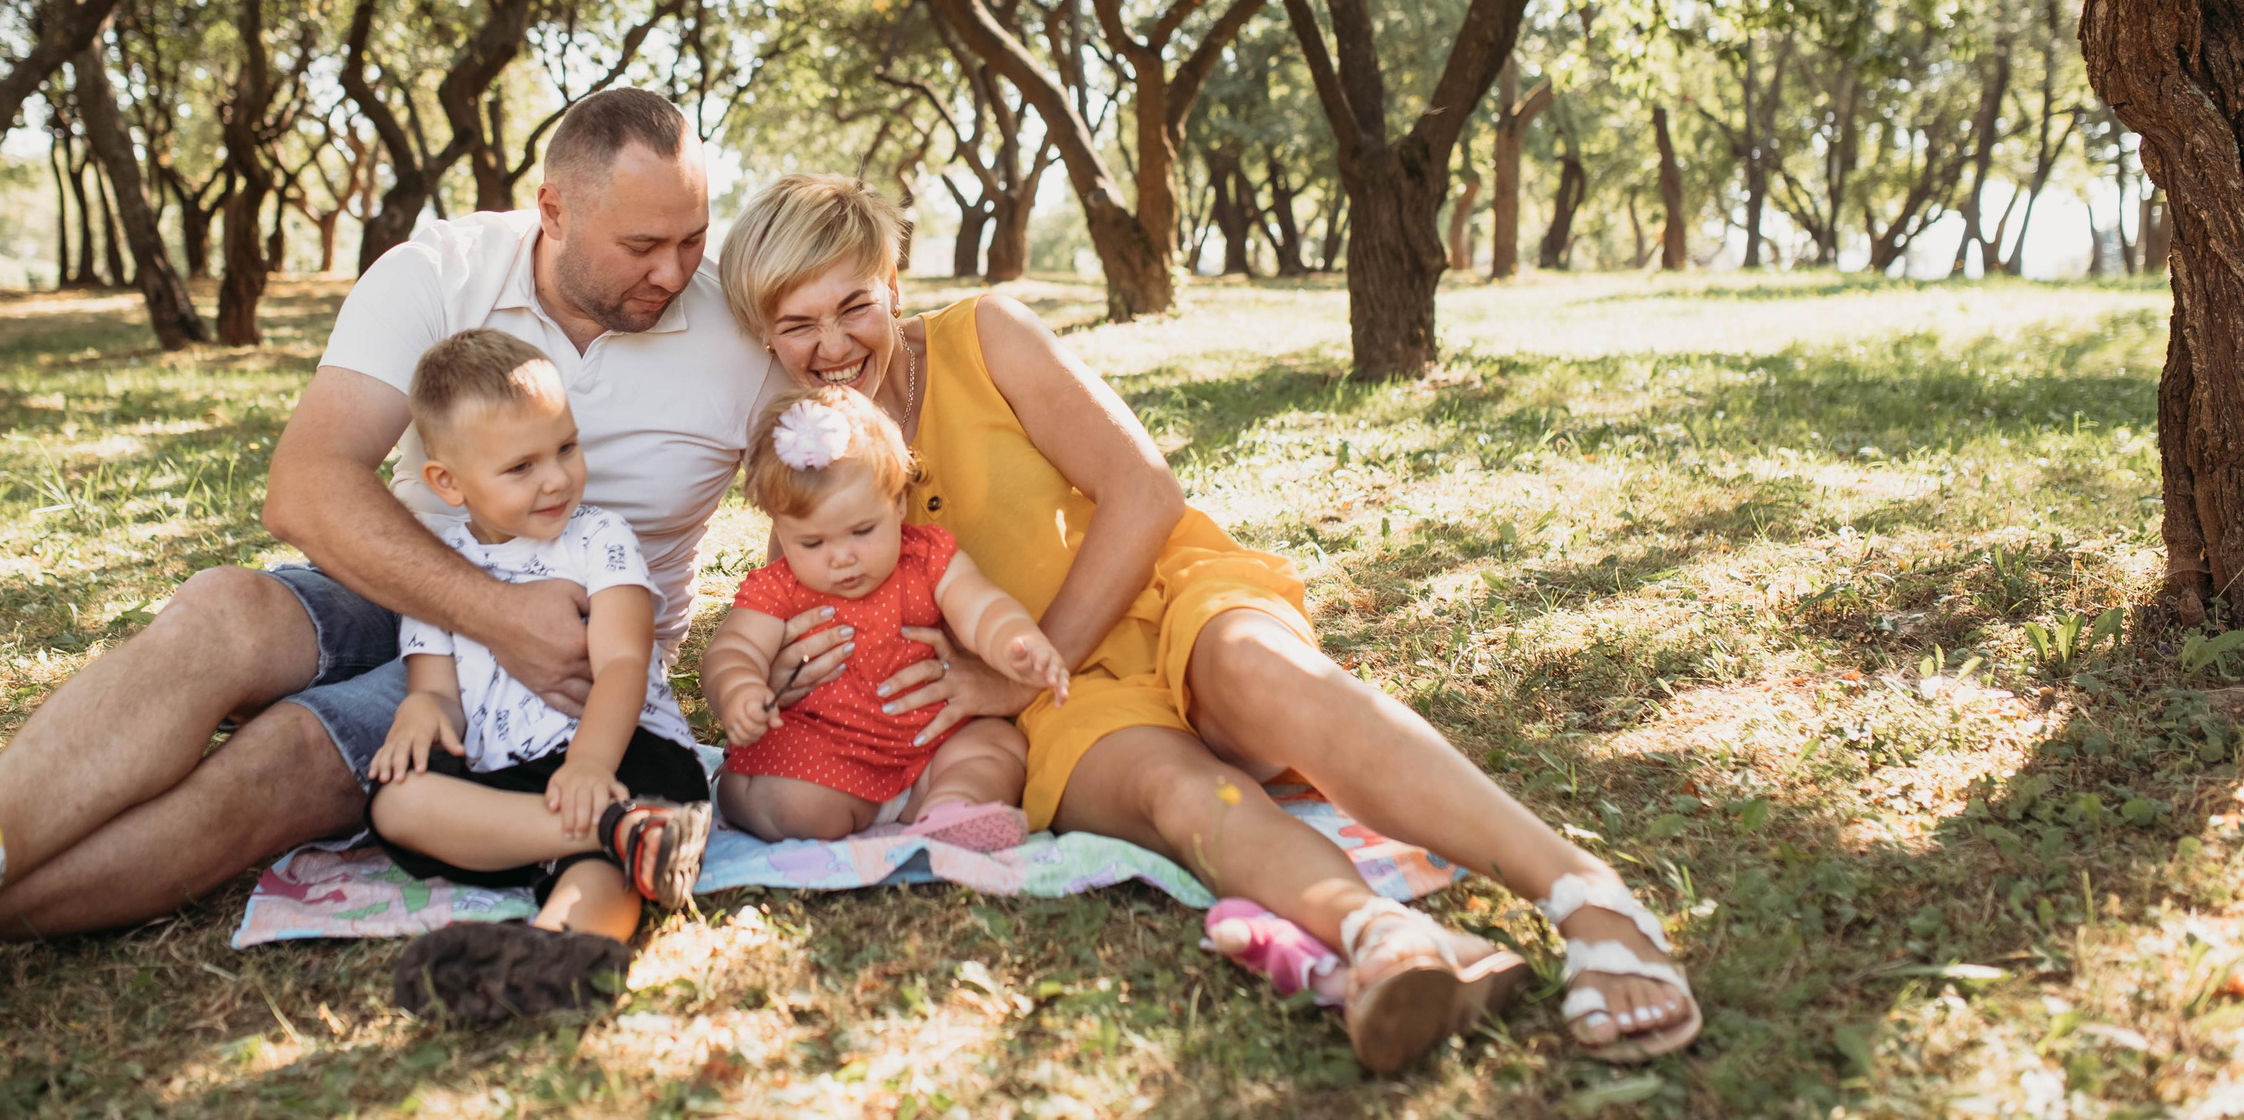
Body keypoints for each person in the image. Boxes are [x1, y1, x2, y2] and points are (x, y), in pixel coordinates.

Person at [0, 89, 780, 1028]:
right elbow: (304, 486)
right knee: (224, 610)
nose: (674, 270)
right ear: (551, 208)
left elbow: (852, 444)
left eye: (690, 239)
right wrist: (493, 615)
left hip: (574, 668)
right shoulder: (442, 269)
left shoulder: (730, 329)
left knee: (279, 764)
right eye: (642, 247)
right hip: (412, 591)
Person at [715, 175, 1700, 1074]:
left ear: (893, 282)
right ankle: (1387, 941)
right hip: (1050, 704)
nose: (832, 345)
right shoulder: (801, 453)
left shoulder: (986, 336)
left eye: (854, 304)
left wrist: (1024, 663)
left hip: (1151, 592)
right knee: (1175, 797)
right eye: (796, 325)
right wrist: (795, 676)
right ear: (763, 333)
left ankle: (1588, 898)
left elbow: (1143, 490)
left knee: (1258, 676)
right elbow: (801, 608)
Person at [364, 330, 712, 950]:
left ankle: (579, 915)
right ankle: (616, 853)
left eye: (566, 448)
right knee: (394, 806)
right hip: (523, 793)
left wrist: (588, 766)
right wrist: (421, 711)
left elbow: (625, 663)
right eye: (522, 467)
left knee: (594, 867)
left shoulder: (597, 537)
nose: (555, 480)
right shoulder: (438, 566)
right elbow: (437, 691)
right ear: (448, 482)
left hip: (626, 753)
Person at [701, 386, 1069, 851]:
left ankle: (951, 810)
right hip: (827, 754)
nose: (841, 558)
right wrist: (739, 690)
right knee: (799, 806)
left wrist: (1014, 641)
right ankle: (741, 793)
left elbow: (981, 607)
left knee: (998, 748)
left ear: (896, 501)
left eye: (862, 531)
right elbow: (735, 649)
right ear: (780, 527)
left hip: (932, 741)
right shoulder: (779, 587)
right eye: (812, 544)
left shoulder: (928, 558)